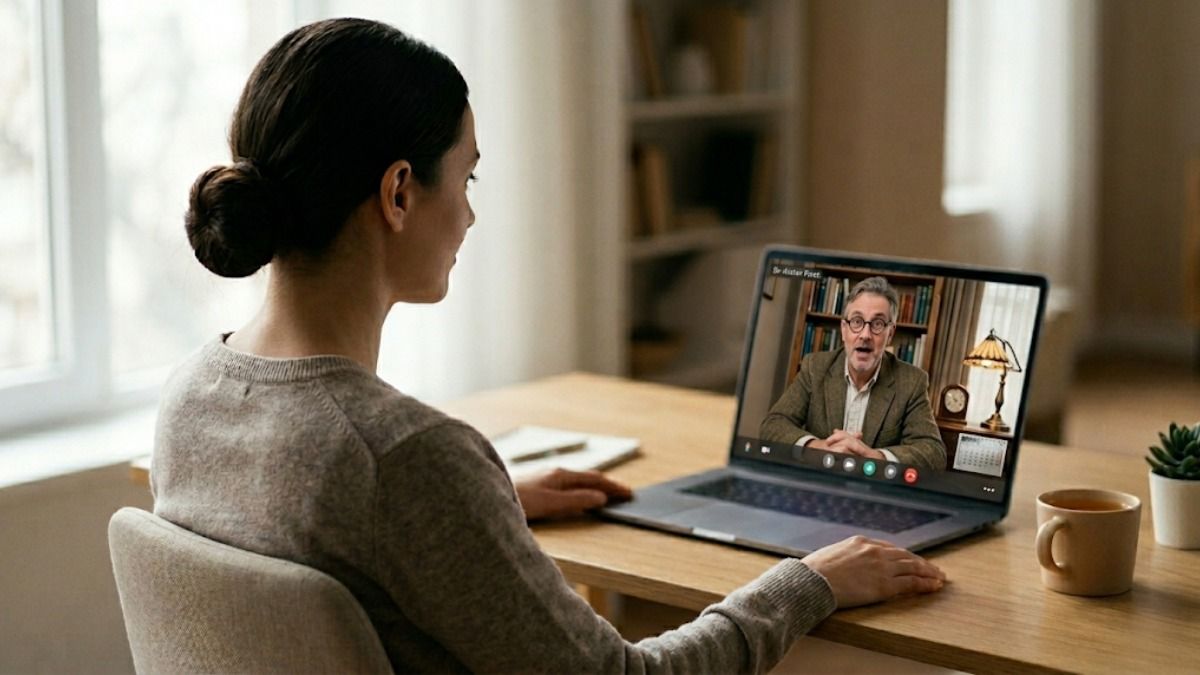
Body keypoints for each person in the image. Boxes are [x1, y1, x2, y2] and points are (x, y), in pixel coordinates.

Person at [152, 18, 946, 673]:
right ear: (398, 193)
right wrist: (807, 580)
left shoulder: (191, 398)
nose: (469, 214)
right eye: (466, 178)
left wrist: (485, 506)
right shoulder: (405, 461)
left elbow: (324, 514)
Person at [760, 277, 948, 472]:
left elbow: (934, 452)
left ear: (890, 334)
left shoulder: (912, 382)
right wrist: (818, 448)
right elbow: (773, 425)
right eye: (857, 321)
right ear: (844, 330)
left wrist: (874, 458)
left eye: (877, 324)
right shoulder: (815, 368)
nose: (865, 335)